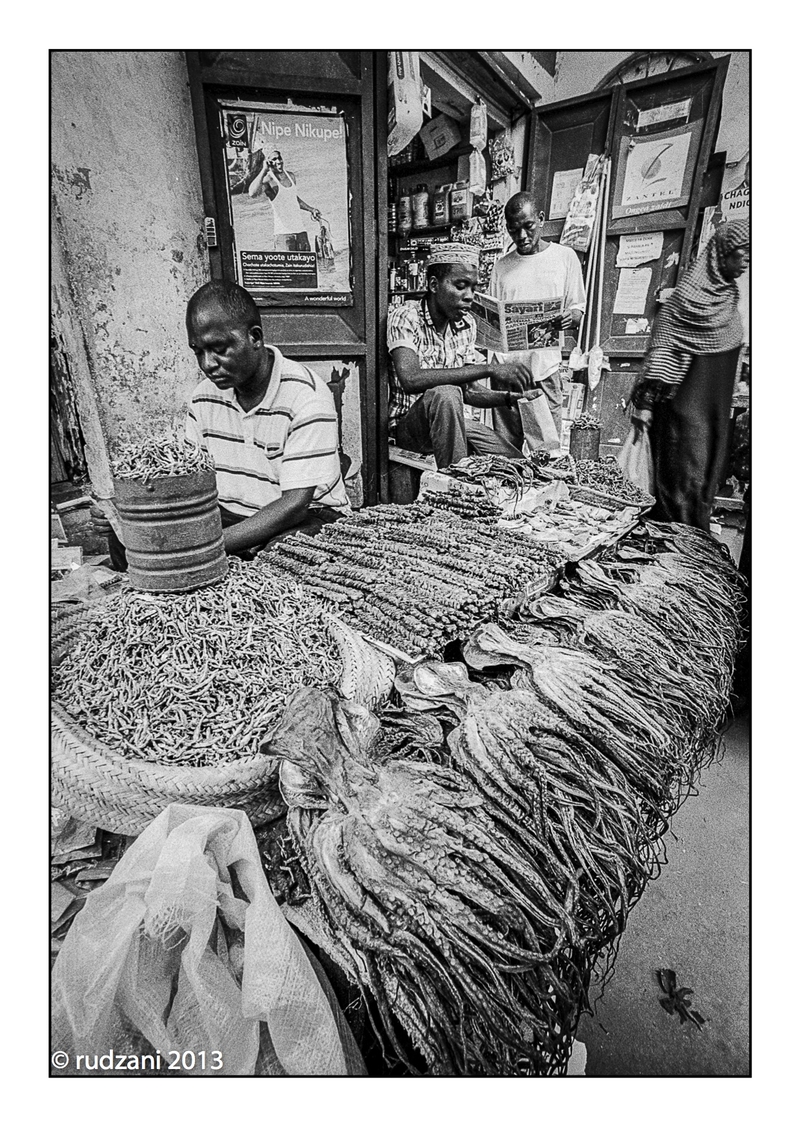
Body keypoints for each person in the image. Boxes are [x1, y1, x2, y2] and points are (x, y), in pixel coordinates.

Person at [94, 281, 349, 561]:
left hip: (305, 518)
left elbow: (295, 505)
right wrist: (128, 516)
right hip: (230, 516)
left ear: (254, 338)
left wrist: (206, 547)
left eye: (219, 349)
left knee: (281, 557)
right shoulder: (203, 398)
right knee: (134, 537)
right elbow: (191, 484)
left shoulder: (306, 396)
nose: (207, 364)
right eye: (198, 352)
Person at [630, 220, 750, 531]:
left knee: (701, 494)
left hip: (715, 423)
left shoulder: (730, 307)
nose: (747, 262)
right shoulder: (683, 305)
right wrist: (645, 406)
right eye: (742, 253)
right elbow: (661, 358)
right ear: (721, 255)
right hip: (682, 424)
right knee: (679, 496)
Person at [386, 243, 534, 469]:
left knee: (518, 465)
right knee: (446, 393)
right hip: (410, 429)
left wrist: (507, 397)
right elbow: (410, 379)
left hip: (453, 422)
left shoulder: (466, 325)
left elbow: (470, 391)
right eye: (461, 286)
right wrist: (489, 368)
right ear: (434, 285)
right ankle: (456, 483)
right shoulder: (406, 316)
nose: (469, 297)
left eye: (474, 288)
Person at [488, 192, 586, 449]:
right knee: (505, 449)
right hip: (506, 371)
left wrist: (569, 317)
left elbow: (577, 310)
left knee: (546, 448)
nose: (521, 236)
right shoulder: (501, 266)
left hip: (544, 368)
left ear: (541, 219)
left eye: (528, 226)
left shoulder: (565, 258)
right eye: (513, 229)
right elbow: (491, 319)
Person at [247, 149, 321, 252]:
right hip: (284, 235)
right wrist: (264, 170)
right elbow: (252, 193)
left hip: (301, 233)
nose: (278, 161)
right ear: (268, 162)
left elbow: (292, 198)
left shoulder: (291, 176)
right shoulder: (269, 180)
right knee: (287, 267)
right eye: (274, 159)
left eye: (279, 158)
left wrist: (311, 209)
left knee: (307, 267)